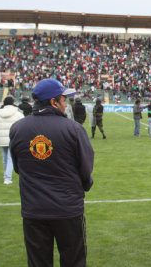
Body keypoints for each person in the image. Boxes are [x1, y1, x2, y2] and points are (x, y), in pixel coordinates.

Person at [9, 78, 94, 267]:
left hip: (33, 209)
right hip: (67, 208)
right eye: (63, 100)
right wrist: (84, 186)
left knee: (38, 262)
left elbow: (17, 167)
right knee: (74, 261)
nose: (66, 105)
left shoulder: (18, 128)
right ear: (53, 102)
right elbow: (86, 168)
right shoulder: (73, 129)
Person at [0, 96, 24, 184]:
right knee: (11, 158)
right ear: (12, 102)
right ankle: (7, 178)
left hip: (2, 137)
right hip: (12, 136)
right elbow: (22, 121)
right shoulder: (17, 112)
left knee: (5, 157)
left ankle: (6, 176)